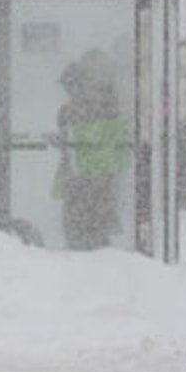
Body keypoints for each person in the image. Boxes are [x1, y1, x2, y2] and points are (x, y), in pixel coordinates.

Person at [53, 48, 129, 250]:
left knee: (85, 235)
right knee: (94, 239)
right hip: (94, 184)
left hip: (88, 184)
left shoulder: (79, 110)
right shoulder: (110, 108)